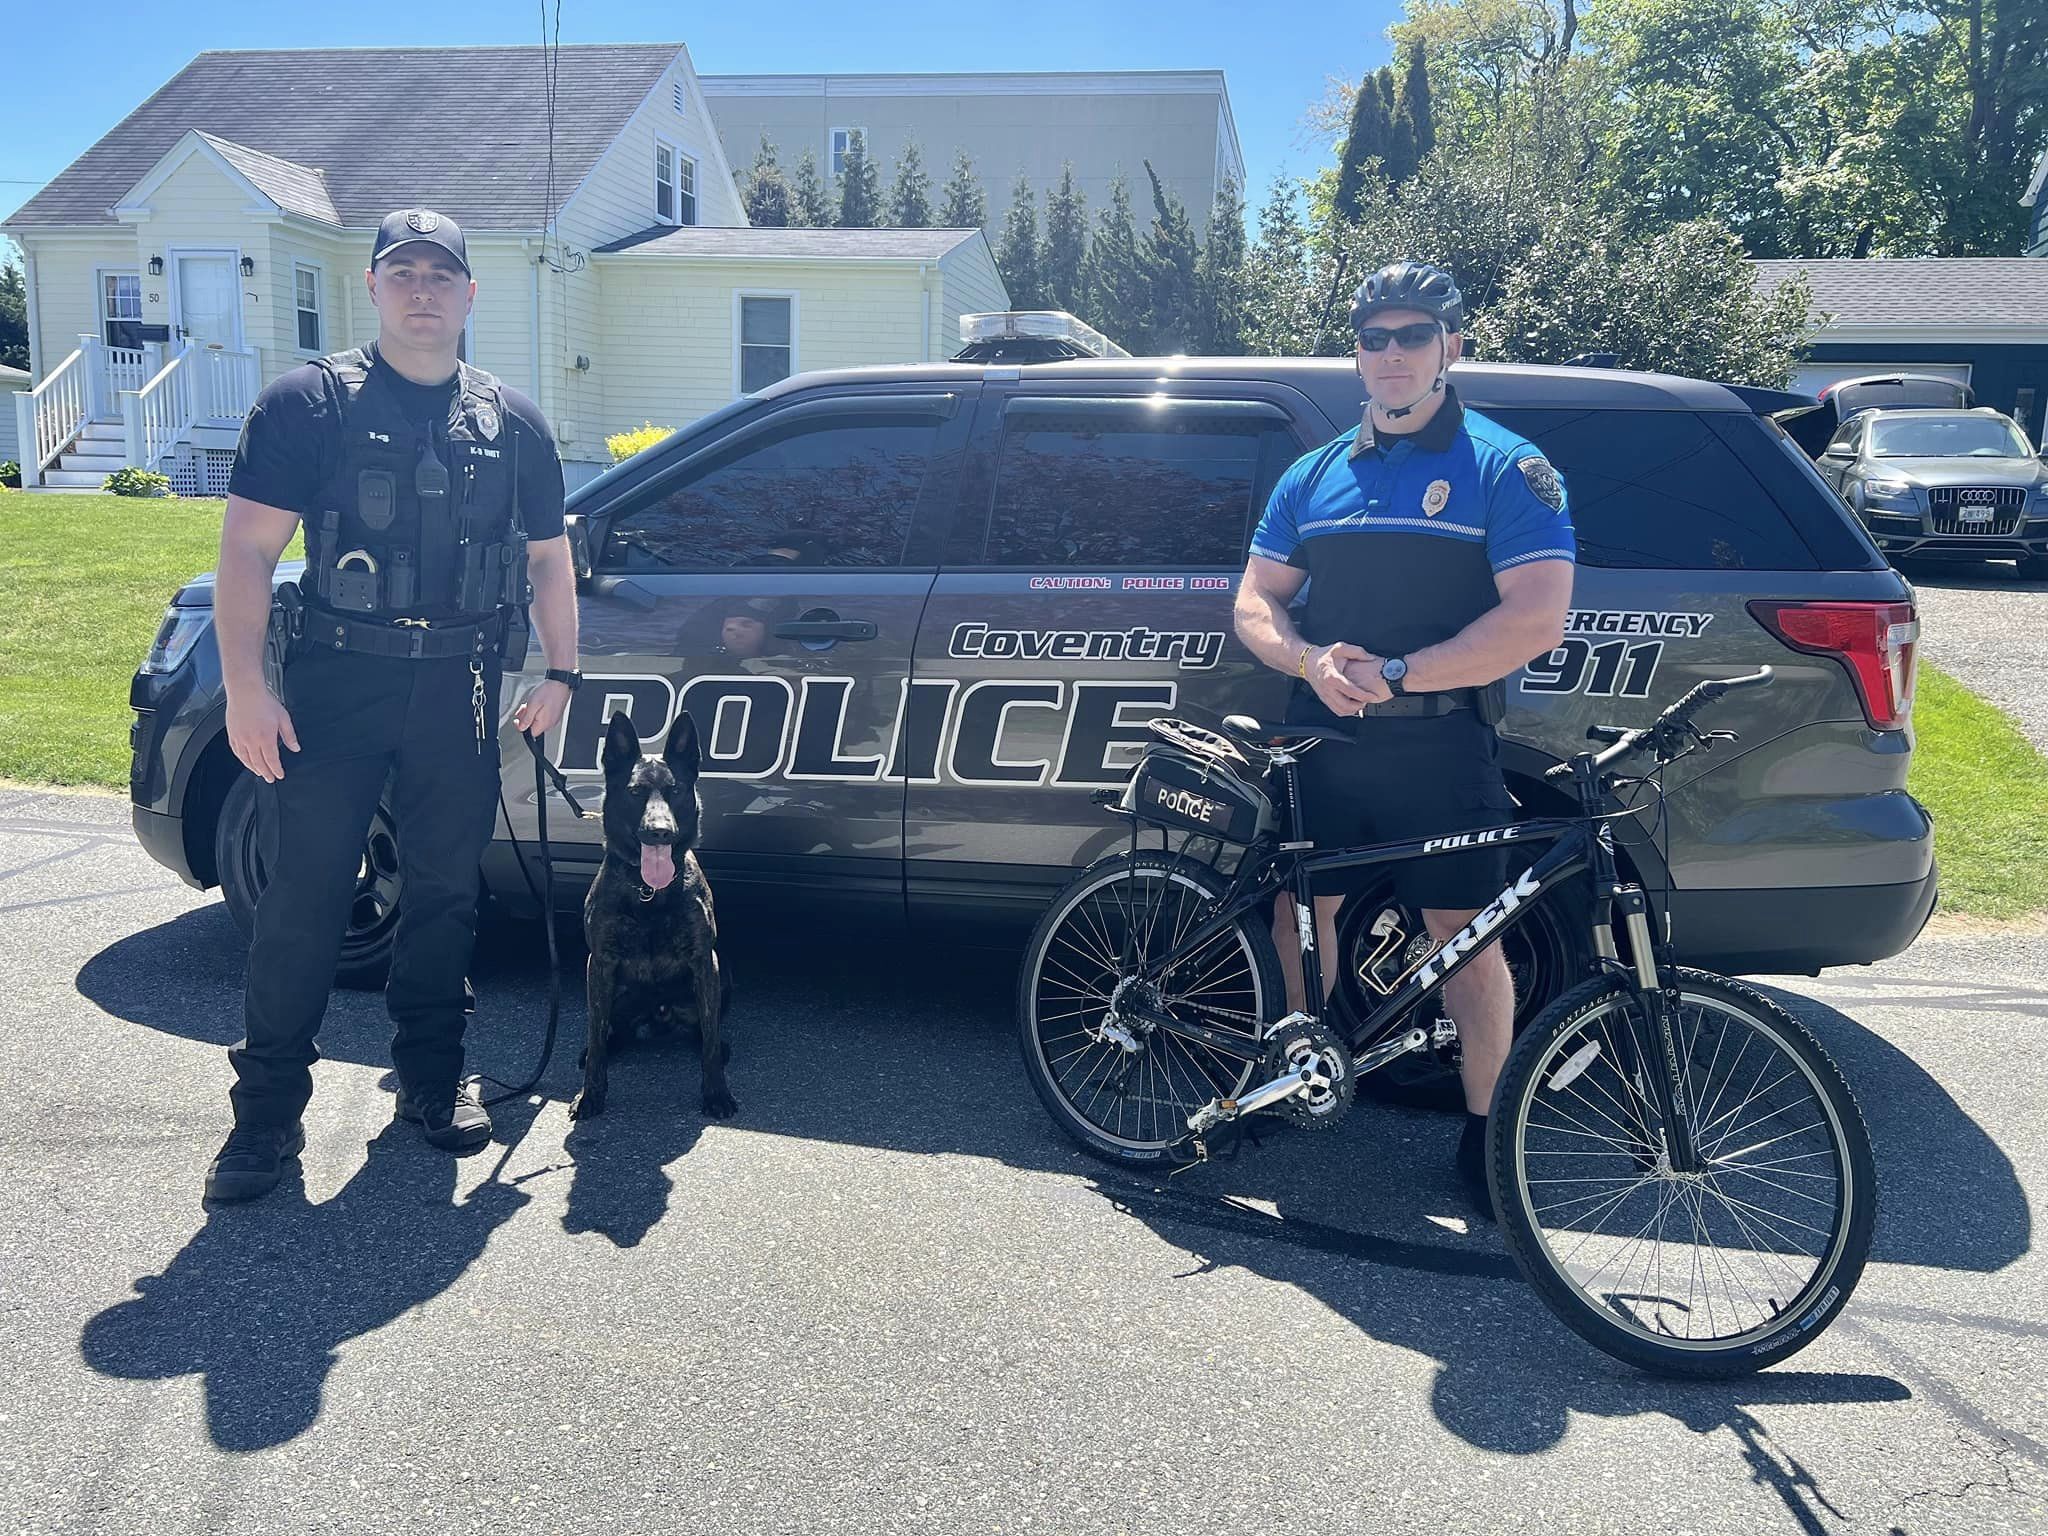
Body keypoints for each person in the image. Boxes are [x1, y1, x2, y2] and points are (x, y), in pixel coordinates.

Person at [205, 208, 583, 1202]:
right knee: (303, 902)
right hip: (331, 684)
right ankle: (262, 1124)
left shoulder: (511, 423)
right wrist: (246, 688)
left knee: (446, 897)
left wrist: (561, 674)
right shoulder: (308, 405)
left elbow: (549, 559)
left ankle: (428, 1079)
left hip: (456, 687)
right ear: (370, 286)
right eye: (402, 271)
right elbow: (247, 550)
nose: (423, 290)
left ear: (469, 294)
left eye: (441, 275)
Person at [1232, 260, 1575, 1216]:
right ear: (1357, 352)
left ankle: (1487, 1136)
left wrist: (1395, 674)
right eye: (1374, 337)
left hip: (1438, 743)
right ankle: (1296, 1072)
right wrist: (1306, 663)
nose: (1391, 353)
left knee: (1465, 941)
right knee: (1305, 915)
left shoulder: (1507, 465)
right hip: (1322, 737)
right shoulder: (1315, 472)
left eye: (1412, 335)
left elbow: (1537, 617)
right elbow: (1257, 599)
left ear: (1450, 348)